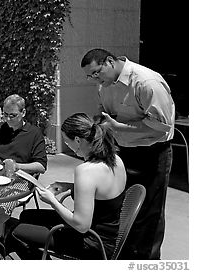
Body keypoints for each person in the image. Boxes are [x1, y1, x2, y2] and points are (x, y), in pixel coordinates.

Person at [80, 48, 174, 260]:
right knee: (123, 207)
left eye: (96, 73)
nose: (95, 79)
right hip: (123, 151)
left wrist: (119, 127)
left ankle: (147, 261)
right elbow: (105, 114)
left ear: (110, 62)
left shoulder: (146, 82)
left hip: (153, 152)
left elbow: (162, 127)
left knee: (149, 213)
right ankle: (124, 255)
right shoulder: (104, 86)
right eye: (90, 76)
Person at [9, 112, 127, 260]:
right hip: (108, 233)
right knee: (27, 215)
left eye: (66, 141)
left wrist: (52, 201)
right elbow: (102, 193)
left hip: (93, 243)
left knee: (16, 232)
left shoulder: (86, 171)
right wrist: (69, 186)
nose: (66, 145)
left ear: (77, 140)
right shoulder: (115, 159)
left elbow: (81, 225)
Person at [0, 94, 47, 235]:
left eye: (13, 115)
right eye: (5, 115)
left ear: (23, 113)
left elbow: (41, 166)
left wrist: (18, 166)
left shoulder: (34, 133)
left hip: (21, 178)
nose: (8, 119)